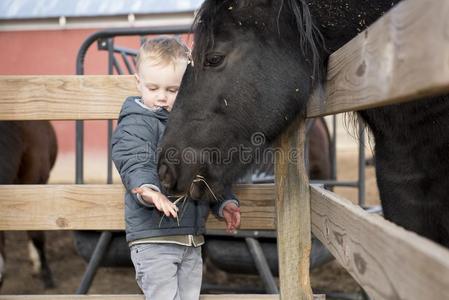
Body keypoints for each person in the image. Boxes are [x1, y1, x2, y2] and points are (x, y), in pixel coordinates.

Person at [111, 36, 241, 300]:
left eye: (172, 90)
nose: (161, 97)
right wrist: (149, 190)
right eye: (153, 88)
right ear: (139, 83)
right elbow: (134, 158)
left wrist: (224, 201)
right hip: (154, 238)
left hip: (191, 240)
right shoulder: (138, 123)